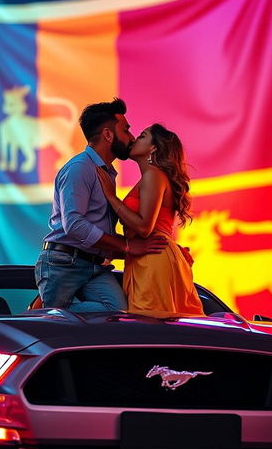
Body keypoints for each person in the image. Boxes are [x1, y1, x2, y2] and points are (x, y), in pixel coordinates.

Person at [35, 98, 166, 311]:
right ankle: (42, 314)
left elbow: (97, 228)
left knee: (117, 313)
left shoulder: (105, 173)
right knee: (55, 323)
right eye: (126, 130)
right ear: (107, 134)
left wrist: (164, 249)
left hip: (94, 265)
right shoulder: (80, 168)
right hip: (64, 263)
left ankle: (45, 312)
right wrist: (126, 246)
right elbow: (75, 225)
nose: (131, 138)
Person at [95, 123, 204, 318]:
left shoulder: (153, 175)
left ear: (154, 148)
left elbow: (145, 227)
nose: (135, 139)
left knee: (149, 324)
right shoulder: (152, 177)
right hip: (149, 255)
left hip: (153, 258)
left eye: (143, 136)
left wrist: (112, 198)